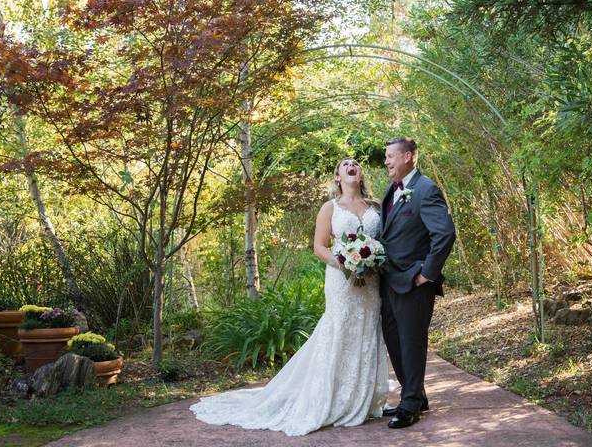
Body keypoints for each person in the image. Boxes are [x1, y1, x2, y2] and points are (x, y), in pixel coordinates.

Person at [189, 158, 389, 436]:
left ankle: (361, 399)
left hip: (371, 282)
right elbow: (319, 247)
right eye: (345, 164)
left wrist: (371, 262)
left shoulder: (376, 207)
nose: (351, 165)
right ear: (337, 177)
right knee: (340, 329)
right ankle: (332, 399)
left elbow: (383, 242)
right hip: (341, 278)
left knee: (367, 330)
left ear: (362, 173)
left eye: (355, 163)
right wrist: (345, 263)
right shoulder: (329, 208)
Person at [378, 136, 456, 429]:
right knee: (394, 341)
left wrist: (428, 272)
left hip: (414, 282)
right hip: (389, 281)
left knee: (411, 343)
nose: (386, 161)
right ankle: (417, 395)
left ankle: (409, 404)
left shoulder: (426, 189)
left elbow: (444, 234)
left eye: (390, 156)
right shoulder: (393, 190)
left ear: (409, 156)